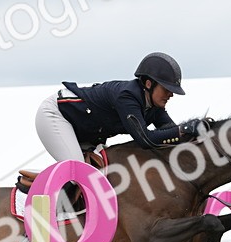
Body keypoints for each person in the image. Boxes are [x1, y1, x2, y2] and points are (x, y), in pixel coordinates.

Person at [34, 51, 209, 163]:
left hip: (85, 131)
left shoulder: (154, 107)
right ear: (148, 84)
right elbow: (146, 140)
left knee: (106, 173)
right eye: (166, 89)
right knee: (77, 170)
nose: (171, 94)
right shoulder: (128, 96)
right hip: (56, 115)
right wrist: (183, 129)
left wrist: (195, 133)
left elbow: (170, 132)